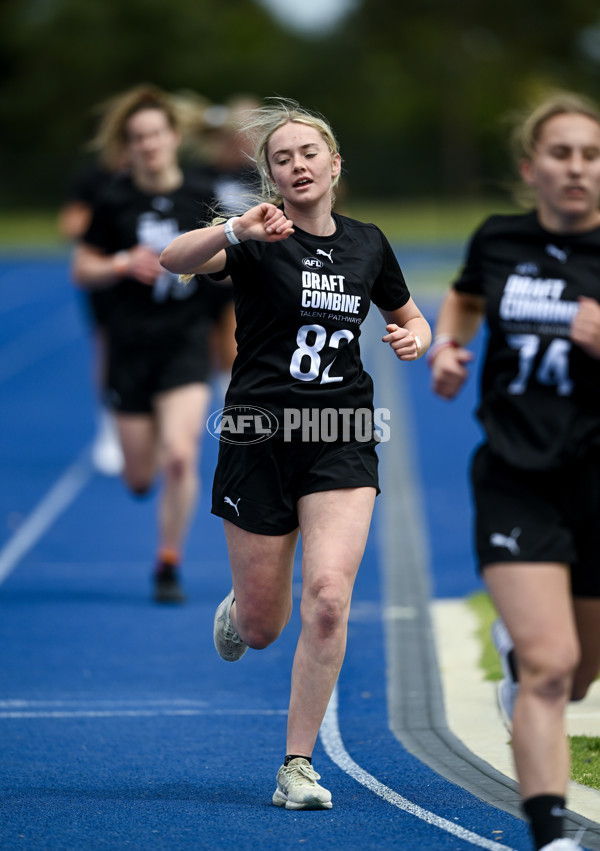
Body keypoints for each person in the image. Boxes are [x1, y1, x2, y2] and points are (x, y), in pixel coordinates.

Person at [160, 98, 431, 809]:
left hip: (340, 436)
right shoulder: (255, 235)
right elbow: (171, 259)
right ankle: (243, 605)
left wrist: (416, 338)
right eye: (281, 159)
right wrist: (232, 228)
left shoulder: (369, 244)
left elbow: (409, 315)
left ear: (334, 164)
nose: (297, 165)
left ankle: (296, 765)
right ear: (270, 176)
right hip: (257, 437)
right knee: (262, 624)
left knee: (331, 597)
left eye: (308, 153)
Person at [429, 91, 600, 851]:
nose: (577, 168)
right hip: (515, 473)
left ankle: (517, 652)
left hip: (597, 482)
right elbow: (465, 299)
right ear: (532, 167)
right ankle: (550, 833)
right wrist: (447, 345)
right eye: (562, 153)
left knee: (584, 675)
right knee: (551, 666)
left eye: (592, 156)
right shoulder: (499, 240)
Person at [71, 85, 217, 604]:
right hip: (131, 349)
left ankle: (168, 563)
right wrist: (118, 263)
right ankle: (144, 449)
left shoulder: (204, 196)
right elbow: (81, 268)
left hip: (185, 342)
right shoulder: (113, 200)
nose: (148, 145)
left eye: (156, 133)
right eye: (137, 138)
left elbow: (233, 270)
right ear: (127, 147)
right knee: (139, 478)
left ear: (174, 137)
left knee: (181, 455)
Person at [59, 150, 129, 476]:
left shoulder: (161, 180)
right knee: (108, 348)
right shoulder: (94, 179)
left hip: (149, 278)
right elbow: (70, 224)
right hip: (108, 275)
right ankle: (110, 427)